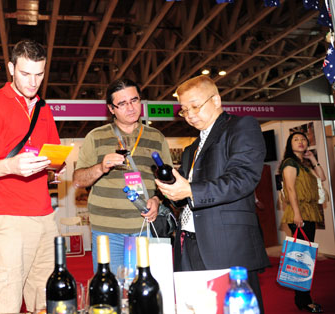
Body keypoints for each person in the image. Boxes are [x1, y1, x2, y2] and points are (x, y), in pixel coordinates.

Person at [156, 75, 269, 313]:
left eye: (195, 106)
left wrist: (189, 189)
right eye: (184, 110)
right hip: (188, 244)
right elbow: (188, 195)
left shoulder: (241, 127)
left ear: (216, 100)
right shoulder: (191, 149)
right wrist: (168, 195)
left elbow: (243, 178)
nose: (190, 115)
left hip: (226, 245)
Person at [0, 39, 60, 314]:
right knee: (3, 303)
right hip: (6, 218)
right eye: (25, 73)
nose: (33, 82)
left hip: (45, 217)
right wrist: (11, 166)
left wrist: (54, 165)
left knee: (47, 300)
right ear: (11, 68)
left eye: (39, 74)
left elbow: (54, 156)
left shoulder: (44, 109)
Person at [73, 78, 172, 272]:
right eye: (122, 103)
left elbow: (167, 181)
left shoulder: (156, 137)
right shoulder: (96, 136)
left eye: (134, 100)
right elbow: (78, 180)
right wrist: (101, 167)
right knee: (111, 292)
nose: (131, 108)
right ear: (111, 109)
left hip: (144, 226)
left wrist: (156, 199)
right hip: (106, 230)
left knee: (144, 290)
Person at [279, 132, 325, 313]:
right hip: (300, 214)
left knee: (305, 258)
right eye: (296, 139)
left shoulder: (303, 164)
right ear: (290, 145)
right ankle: (304, 300)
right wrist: (297, 214)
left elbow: (321, 177)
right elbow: (290, 189)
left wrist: (313, 158)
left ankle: (303, 298)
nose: (301, 142)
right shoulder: (289, 163)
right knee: (302, 259)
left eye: (303, 139)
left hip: (308, 212)